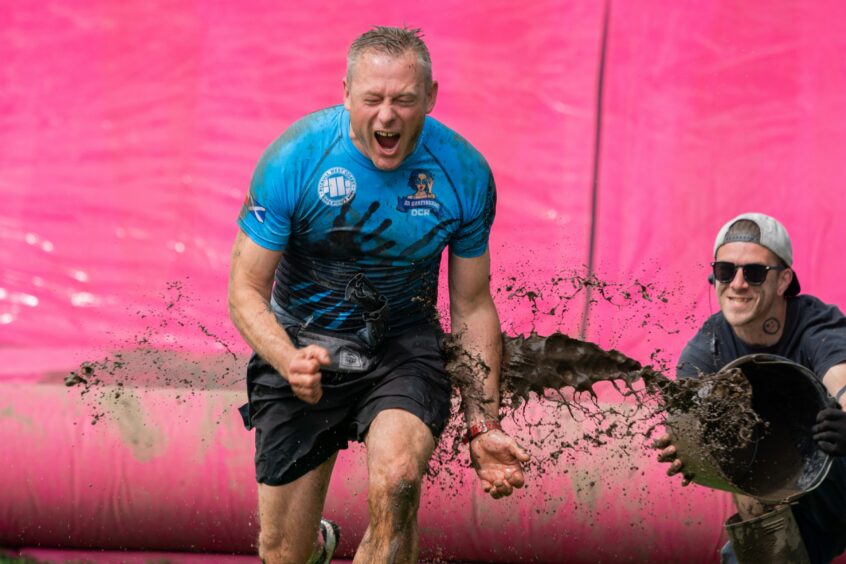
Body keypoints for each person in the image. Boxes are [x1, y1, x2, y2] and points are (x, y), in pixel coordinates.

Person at [228, 26, 529, 564]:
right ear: (346, 93)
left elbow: (473, 305)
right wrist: (286, 359)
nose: (387, 116)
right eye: (372, 99)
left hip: (401, 346)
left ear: (431, 98)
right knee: (281, 552)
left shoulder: (463, 173)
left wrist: (483, 423)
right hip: (301, 348)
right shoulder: (294, 159)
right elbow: (244, 290)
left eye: (404, 100)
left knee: (398, 481)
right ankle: (316, 544)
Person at [654, 213, 846, 563]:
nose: (737, 284)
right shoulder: (704, 353)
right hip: (789, 505)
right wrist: (689, 446)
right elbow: (691, 429)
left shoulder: (815, 323)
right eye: (726, 271)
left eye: (754, 273)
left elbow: (840, 377)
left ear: (784, 280)